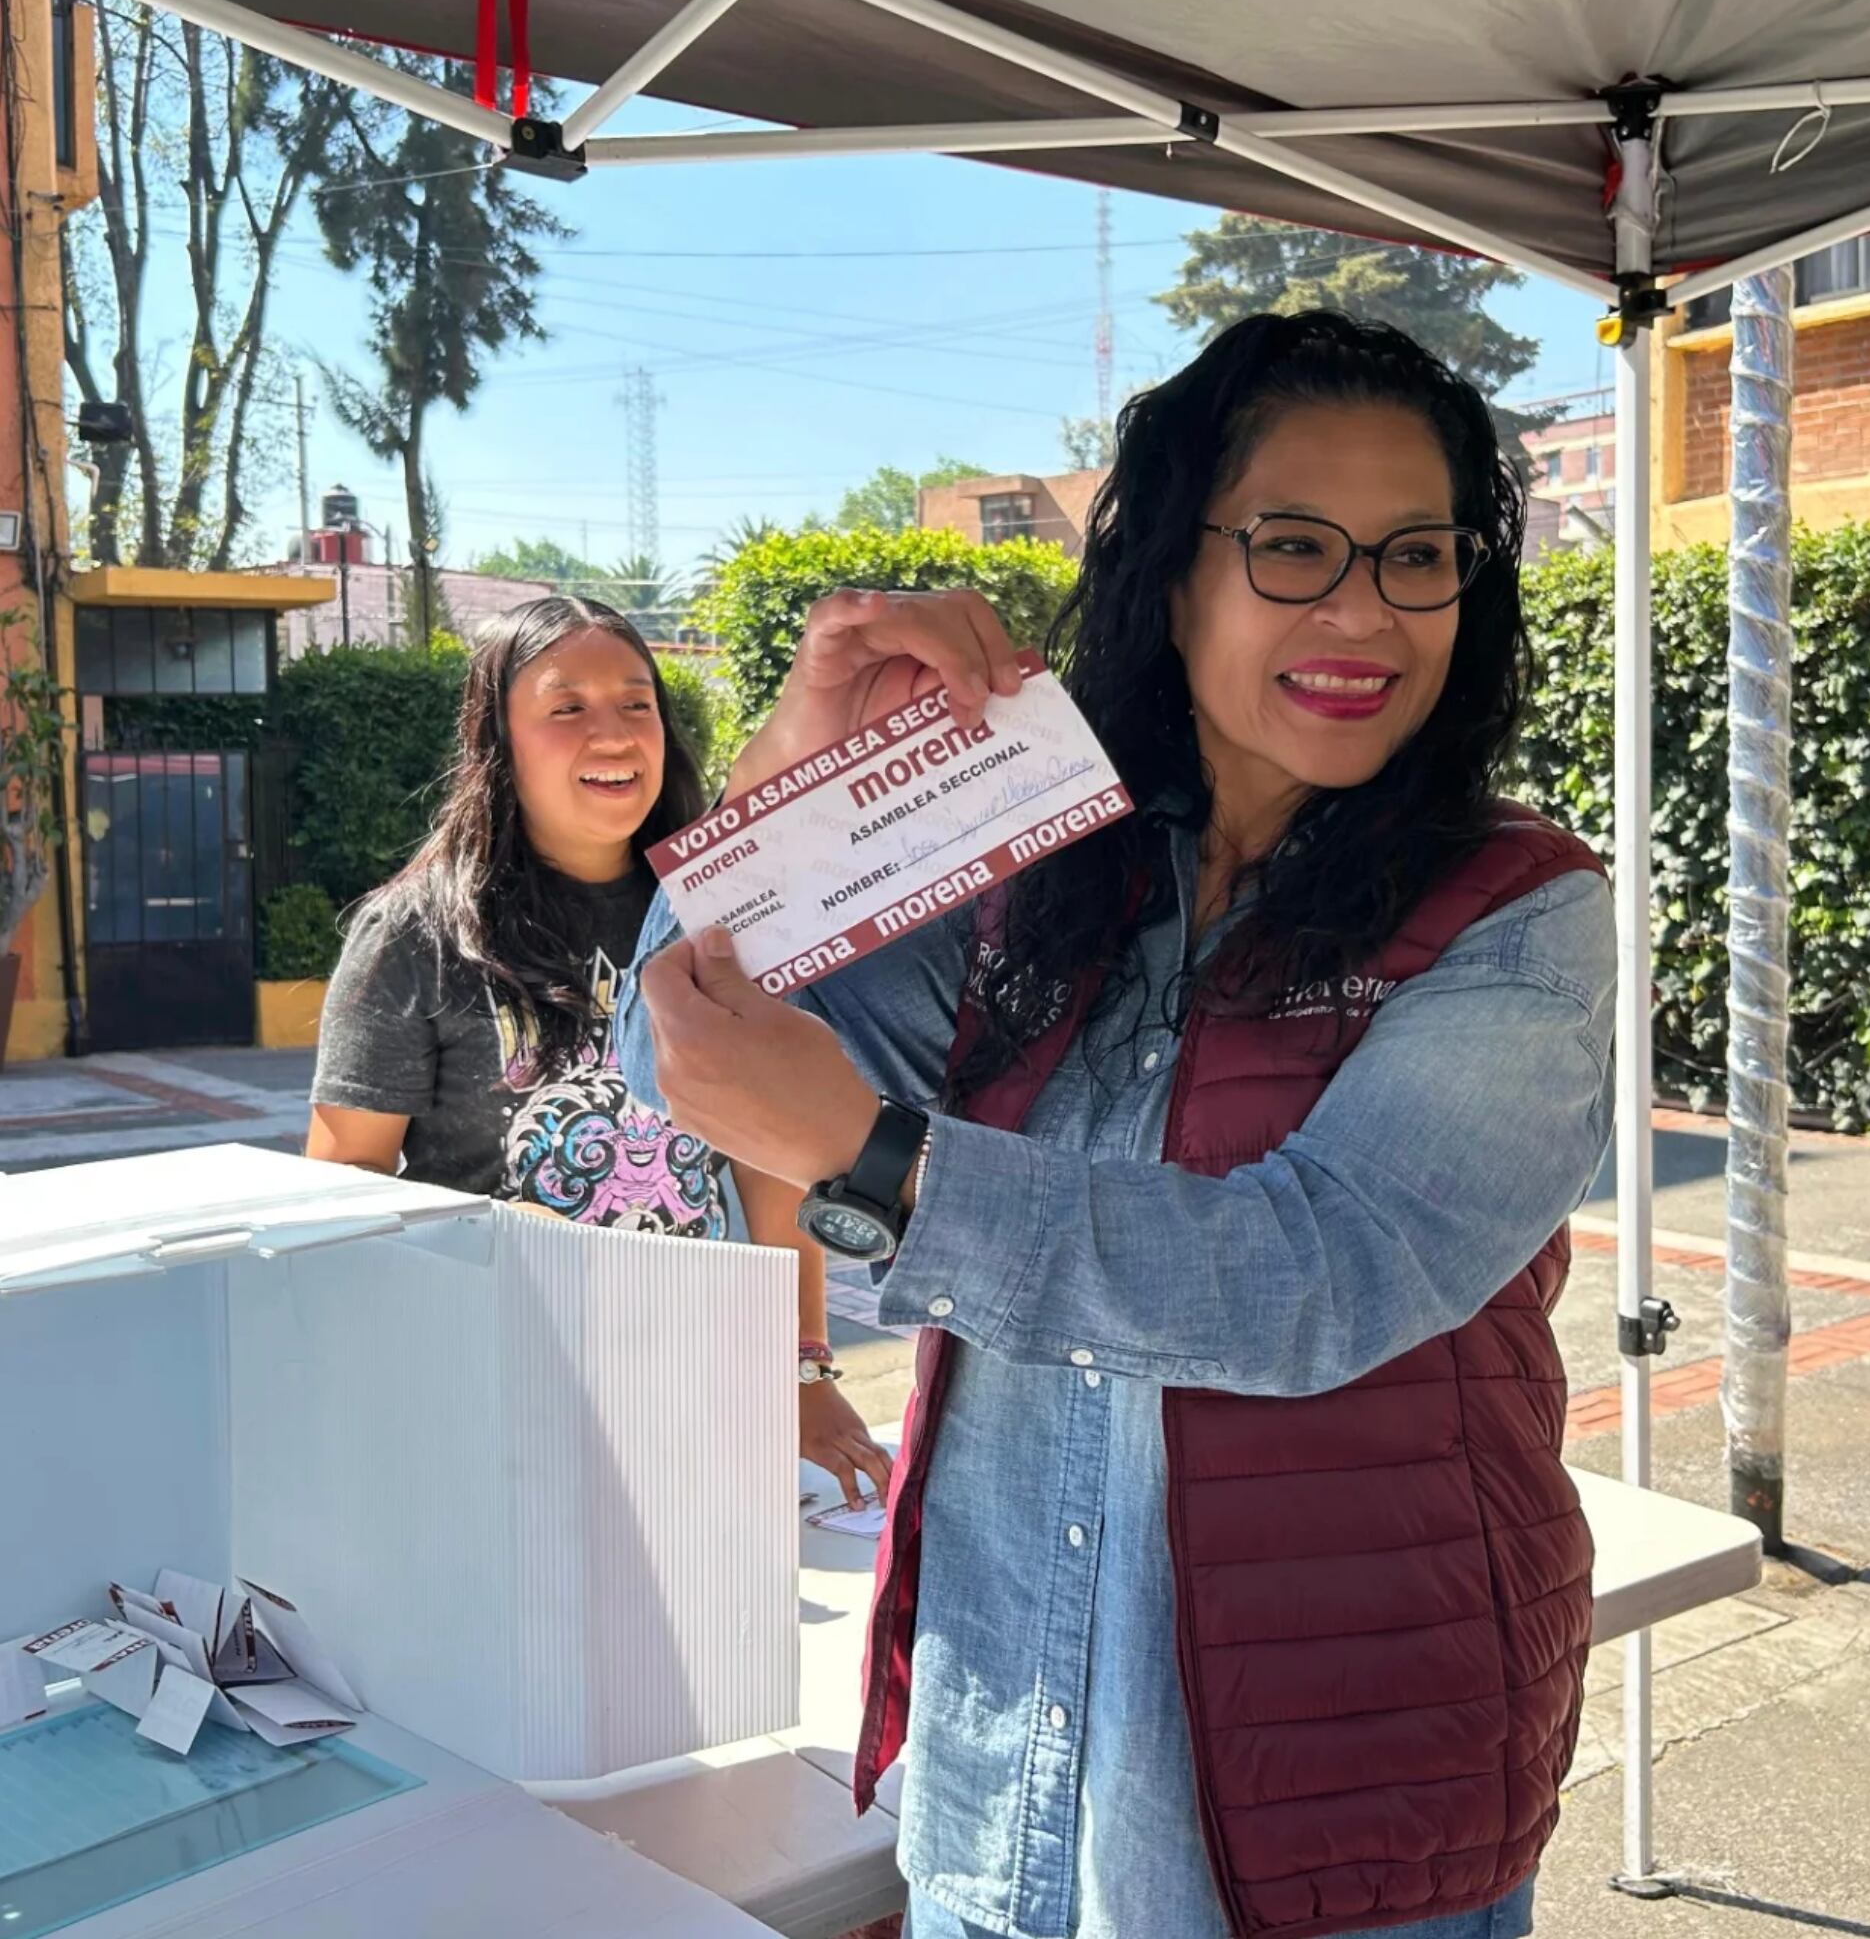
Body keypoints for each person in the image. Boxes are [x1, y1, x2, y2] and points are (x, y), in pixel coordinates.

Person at [615, 313, 1618, 1939]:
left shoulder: (1518, 909)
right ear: (1169, 571)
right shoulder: (1036, 859)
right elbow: (677, 1047)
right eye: (1293, 546)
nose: (1363, 608)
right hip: (1008, 1769)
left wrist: (880, 1161)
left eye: (1416, 553)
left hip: (1347, 1789)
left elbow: (1318, 1275)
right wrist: (793, 769)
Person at [308, 595, 892, 1507]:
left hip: (695, 1393)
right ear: (498, 739)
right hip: (493, 1397)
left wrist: (805, 1373)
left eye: (636, 702)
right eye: (566, 706)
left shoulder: (720, 917)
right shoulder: (412, 935)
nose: (614, 734)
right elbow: (346, 1187)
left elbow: (772, 1168)